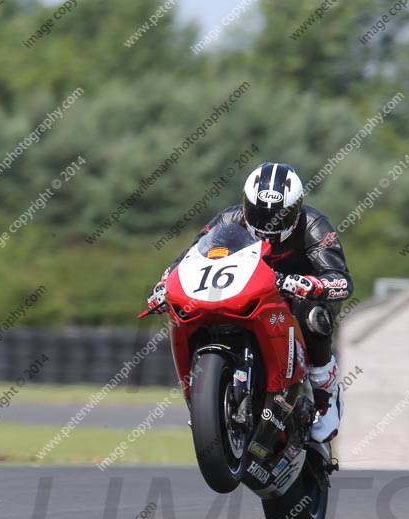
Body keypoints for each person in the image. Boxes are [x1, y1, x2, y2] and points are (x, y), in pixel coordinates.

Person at [148, 162, 354, 443]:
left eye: (277, 215)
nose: (267, 221)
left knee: (315, 317)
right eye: (258, 211)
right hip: (244, 292)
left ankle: (325, 395)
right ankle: (206, 397)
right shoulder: (229, 219)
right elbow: (189, 258)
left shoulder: (314, 226)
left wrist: (312, 284)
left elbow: (340, 280)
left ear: (295, 210)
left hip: (295, 298)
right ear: (246, 204)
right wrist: (165, 284)